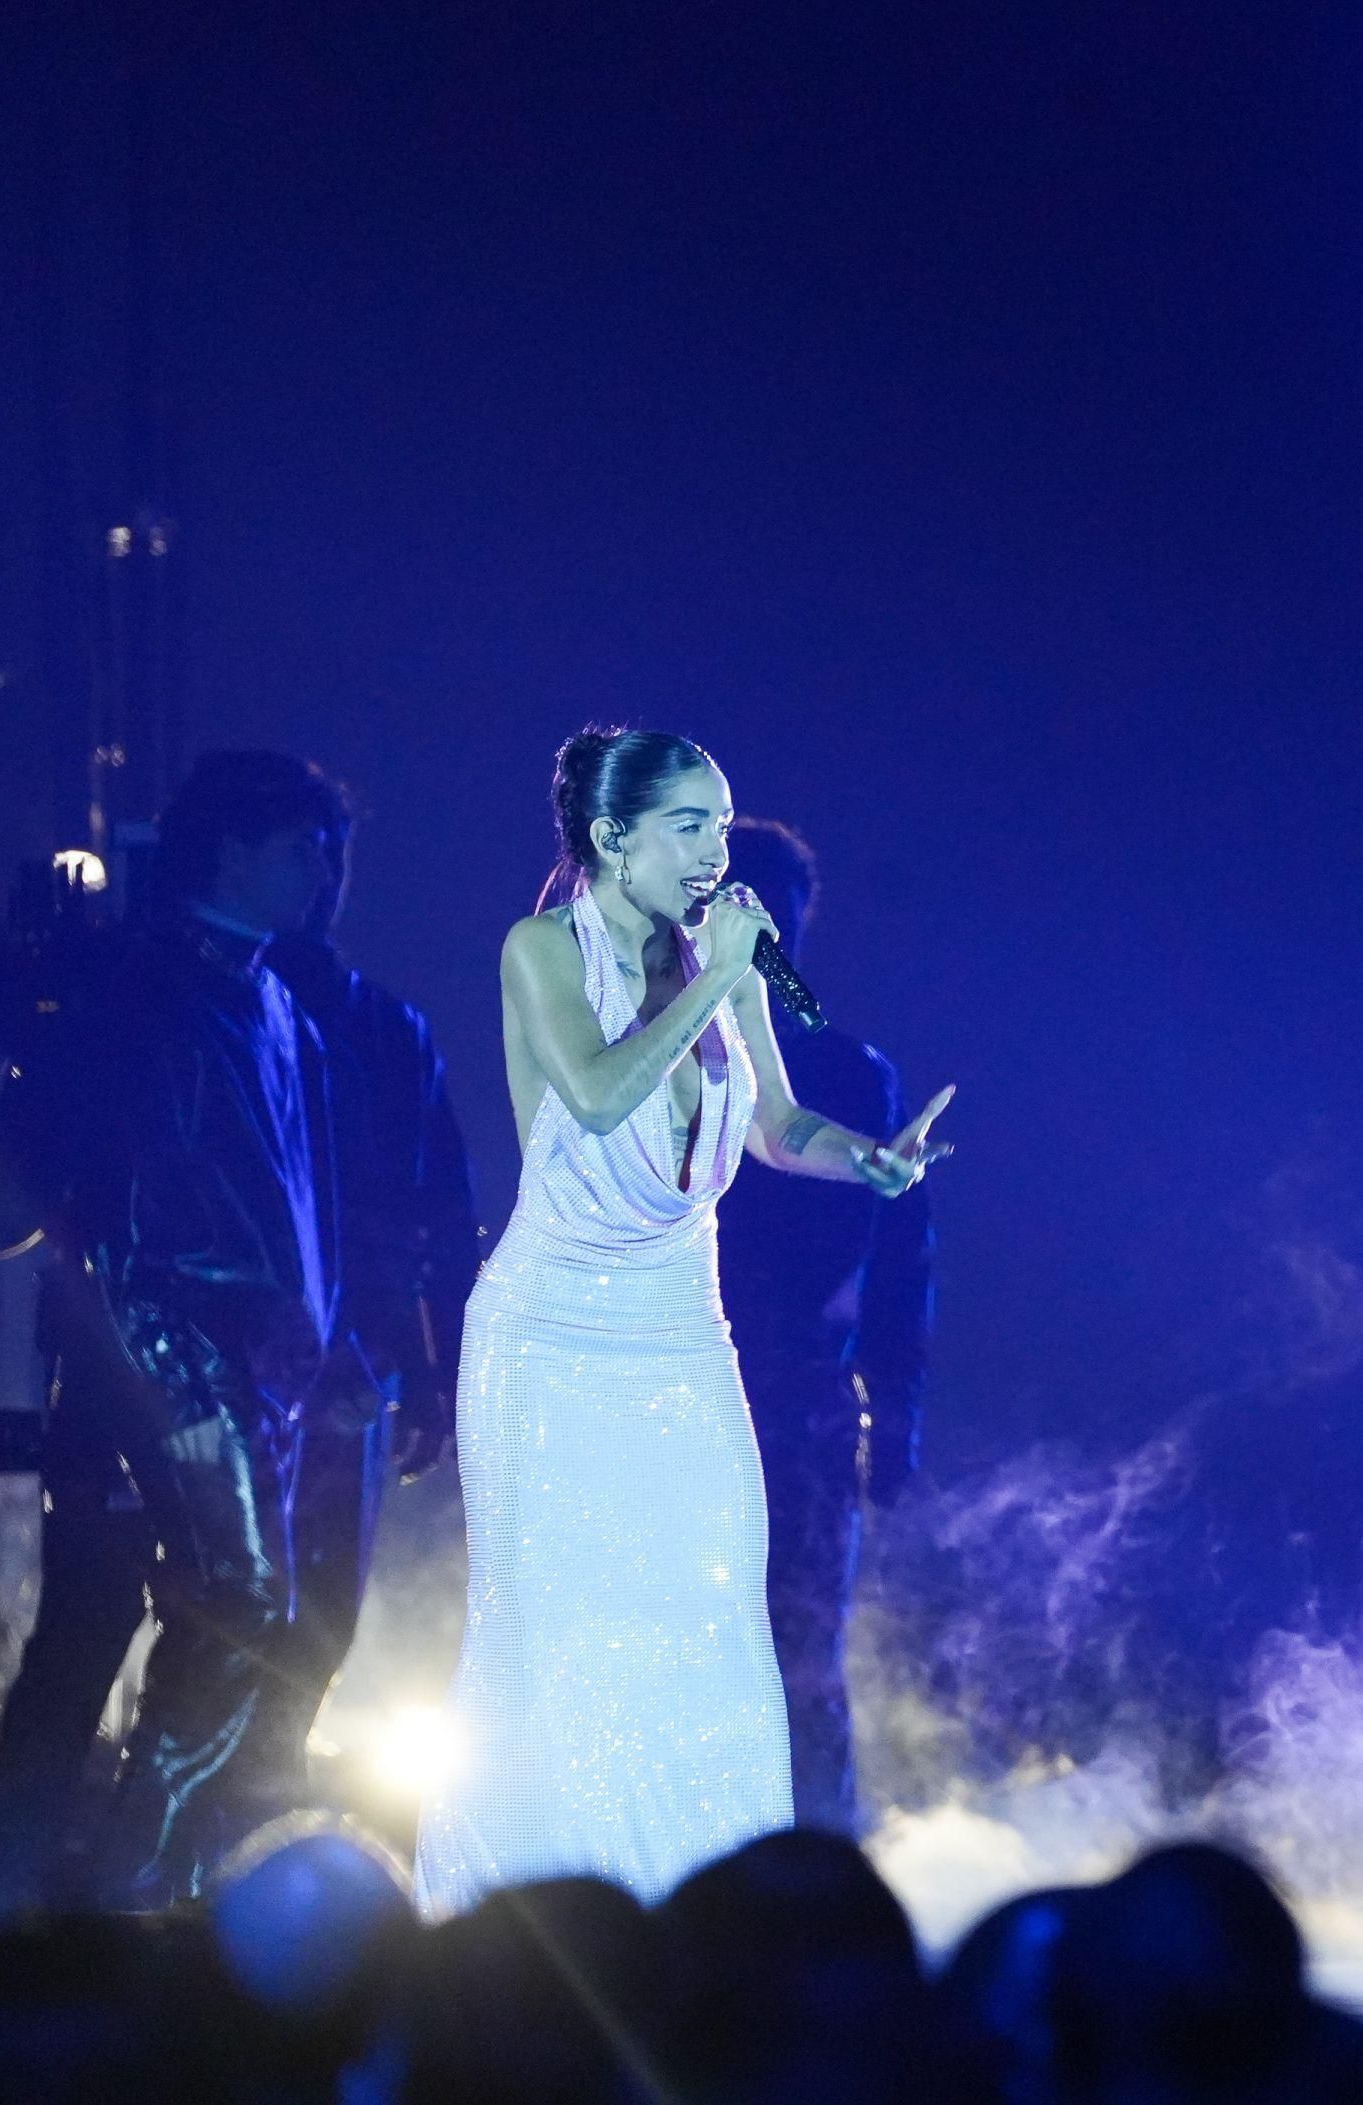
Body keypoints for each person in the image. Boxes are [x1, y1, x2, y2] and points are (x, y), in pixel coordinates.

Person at [411, 728, 952, 1913]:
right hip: (550, 1337)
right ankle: (530, 1924)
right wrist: (718, 976)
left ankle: (705, 1915)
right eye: (691, 825)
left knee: (708, 1629)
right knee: (559, 1644)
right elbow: (601, 1094)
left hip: (684, 1340)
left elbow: (776, 1126)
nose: (716, 851)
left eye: (721, 823)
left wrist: (870, 1158)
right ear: (613, 837)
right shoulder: (542, 950)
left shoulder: (725, 961)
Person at [0, 751, 346, 1905]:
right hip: (162, 1357)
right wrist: (163, 1369)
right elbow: (89, 1199)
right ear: (231, 851)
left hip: (241, 1368)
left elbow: (299, 1202)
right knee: (194, 1605)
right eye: (299, 846)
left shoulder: (276, 1003)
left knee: (233, 1605)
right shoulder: (144, 992)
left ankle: (145, 1869)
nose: (323, 870)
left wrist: (319, 1346)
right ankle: (113, 1873)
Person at [713, 818, 932, 1833]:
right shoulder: (655, 1043)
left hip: (801, 1399)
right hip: (681, 1382)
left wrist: (897, 1415)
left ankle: (811, 1863)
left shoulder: (852, 1071)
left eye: (789, 920)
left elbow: (901, 1261)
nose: (777, 940)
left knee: (801, 1649)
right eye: (760, 913)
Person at [261, 819, 482, 1789]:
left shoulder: (387, 1029)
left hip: (351, 1366)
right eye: (302, 851)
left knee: (319, 1606)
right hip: (225, 1356)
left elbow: (440, 1213)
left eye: (333, 856)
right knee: (230, 1603)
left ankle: (251, 1792)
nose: (323, 878)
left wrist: (436, 1371)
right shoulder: (218, 1010)